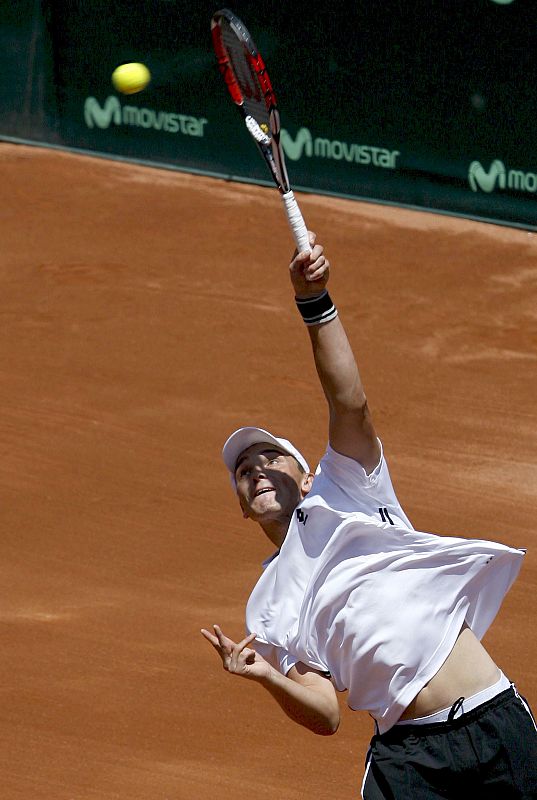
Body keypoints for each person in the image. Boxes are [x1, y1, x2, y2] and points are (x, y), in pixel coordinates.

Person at [201, 233, 537, 798]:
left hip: (491, 719)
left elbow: (349, 402)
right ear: (241, 506)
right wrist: (265, 676)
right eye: (243, 470)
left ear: (309, 477)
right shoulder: (268, 603)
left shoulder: (347, 488)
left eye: (271, 457)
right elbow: (325, 712)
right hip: (409, 756)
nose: (256, 469)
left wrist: (314, 301)